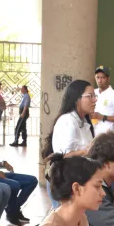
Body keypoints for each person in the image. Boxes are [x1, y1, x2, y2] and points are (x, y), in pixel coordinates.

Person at [44, 79, 97, 209]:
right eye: (90, 96)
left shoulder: (83, 121)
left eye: (94, 96)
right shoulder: (68, 121)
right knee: (62, 221)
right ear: (76, 99)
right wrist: (90, 150)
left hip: (77, 179)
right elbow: (64, 156)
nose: (94, 100)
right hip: (64, 182)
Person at [92, 66, 114, 136]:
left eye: (103, 78)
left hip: (106, 135)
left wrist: (103, 117)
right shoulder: (93, 92)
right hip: (92, 133)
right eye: (98, 77)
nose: (100, 80)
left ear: (108, 79)